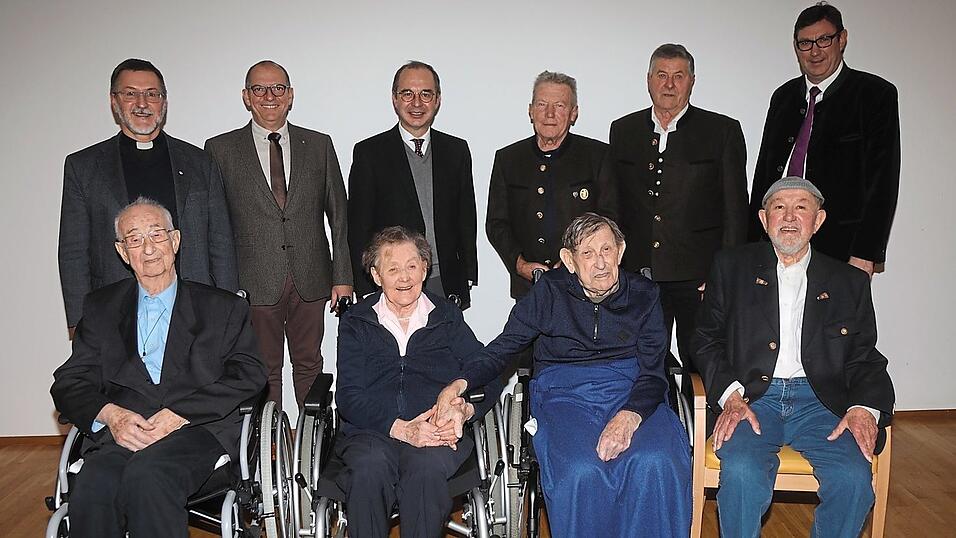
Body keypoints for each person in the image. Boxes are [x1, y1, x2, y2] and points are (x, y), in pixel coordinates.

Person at [436, 213, 691, 537]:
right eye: (588, 253)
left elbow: (655, 371)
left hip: (634, 391)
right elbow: (504, 347)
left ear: (621, 251)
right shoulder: (549, 295)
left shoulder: (644, 294)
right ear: (569, 261)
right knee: (580, 471)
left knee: (657, 461)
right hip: (564, 395)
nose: (600, 262)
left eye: (607, 250)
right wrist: (461, 383)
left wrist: (629, 416)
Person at [51, 198, 266, 538]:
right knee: (93, 483)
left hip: (196, 431)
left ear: (176, 241)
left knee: (149, 476)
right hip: (123, 433)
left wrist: (178, 413)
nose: (148, 248)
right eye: (135, 239)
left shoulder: (222, 307)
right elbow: (69, 380)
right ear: (123, 252)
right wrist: (111, 415)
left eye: (157, 235)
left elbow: (249, 372)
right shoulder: (101, 308)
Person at [694, 177, 894, 537]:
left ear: (818, 221)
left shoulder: (848, 281)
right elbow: (705, 339)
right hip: (753, 399)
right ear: (763, 218)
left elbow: (865, 357)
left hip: (822, 403)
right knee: (741, 472)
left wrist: (863, 408)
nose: (789, 217)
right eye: (778, 207)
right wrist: (731, 396)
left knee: (852, 480)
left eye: (801, 207)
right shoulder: (731, 266)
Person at [334, 226, 500, 538]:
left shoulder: (447, 316)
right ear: (375, 275)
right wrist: (401, 428)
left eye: (412, 266)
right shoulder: (356, 321)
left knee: (423, 471)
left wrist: (464, 412)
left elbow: (487, 371)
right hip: (373, 431)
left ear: (425, 269)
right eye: (392, 269)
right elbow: (348, 396)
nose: (404, 277)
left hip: (436, 429)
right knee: (368, 471)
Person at [205, 60, 352, 407]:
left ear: (290, 96)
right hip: (253, 282)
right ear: (246, 97)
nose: (269, 96)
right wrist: (223, 286)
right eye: (259, 89)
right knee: (264, 368)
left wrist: (343, 277)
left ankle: (311, 444)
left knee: (309, 364)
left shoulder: (319, 144)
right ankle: (272, 447)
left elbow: (340, 215)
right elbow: (213, 225)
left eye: (278, 88)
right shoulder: (220, 150)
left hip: (311, 278)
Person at [58, 58, 237, 337]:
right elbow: (73, 253)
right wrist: (79, 322)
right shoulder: (83, 167)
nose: (142, 103)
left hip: (195, 310)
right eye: (130, 93)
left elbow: (221, 243)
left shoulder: (200, 163)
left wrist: (229, 310)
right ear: (114, 102)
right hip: (115, 311)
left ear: (164, 102)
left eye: (152, 94)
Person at [599, 43, 748, 377]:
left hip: (700, 277)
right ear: (649, 80)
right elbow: (612, 204)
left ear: (691, 81)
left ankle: (703, 429)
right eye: (662, 76)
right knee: (644, 364)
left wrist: (723, 275)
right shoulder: (623, 130)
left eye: (678, 76)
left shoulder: (722, 131)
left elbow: (737, 211)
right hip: (640, 274)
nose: (669, 85)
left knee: (704, 363)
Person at [749, 3, 900, 277]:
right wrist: (749, 246)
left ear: (842, 39)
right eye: (805, 43)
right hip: (776, 242)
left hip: (841, 247)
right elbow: (763, 174)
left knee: (835, 320)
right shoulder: (782, 97)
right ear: (796, 47)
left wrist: (866, 254)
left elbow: (883, 183)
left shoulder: (875, 95)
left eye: (824, 39)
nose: (815, 51)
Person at [347, 60, 478, 309]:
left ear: (437, 100)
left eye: (425, 94)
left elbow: (466, 217)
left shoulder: (456, 150)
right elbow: (358, 226)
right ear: (394, 99)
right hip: (392, 282)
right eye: (407, 93)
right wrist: (363, 286)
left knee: (445, 348)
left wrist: (468, 273)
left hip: (443, 279)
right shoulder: (369, 153)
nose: (416, 103)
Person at [487, 70, 611, 300]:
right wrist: (519, 264)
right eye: (542, 104)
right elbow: (497, 223)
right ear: (530, 111)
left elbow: (609, 219)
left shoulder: (597, 156)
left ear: (574, 114)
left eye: (560, 106)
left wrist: (574, 261)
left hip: (584, 286)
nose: (550, 114)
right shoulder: (509, 159)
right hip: (529, 290)